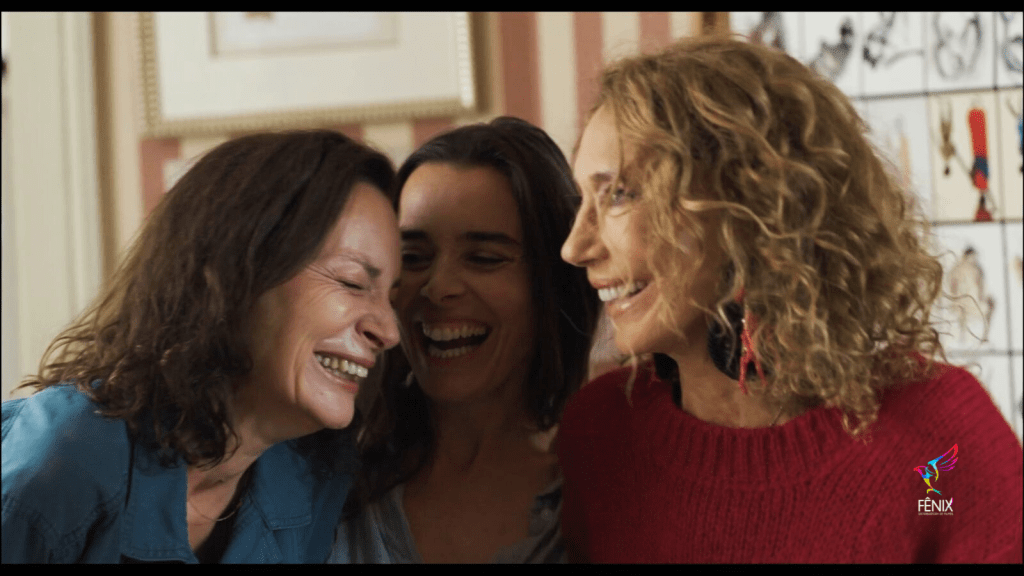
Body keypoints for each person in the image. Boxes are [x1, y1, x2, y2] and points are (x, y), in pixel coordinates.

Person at [557, 36, 1023, 563]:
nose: (575, 247)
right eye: (582, 200)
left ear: (753, 208)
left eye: (619, 194)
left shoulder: (941, 444)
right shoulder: (599, 438)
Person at [2, 130, 402, 563]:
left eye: (391, 297)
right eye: (352, 282)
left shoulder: (314, 477)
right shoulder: (60, 470)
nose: (389, 331)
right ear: (234, 273)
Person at [330, 117, 600, 563]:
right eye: (413, 257)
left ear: (553, 283)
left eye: (484, 258)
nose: (439, 288)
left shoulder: (608, 491)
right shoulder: (323, 479)